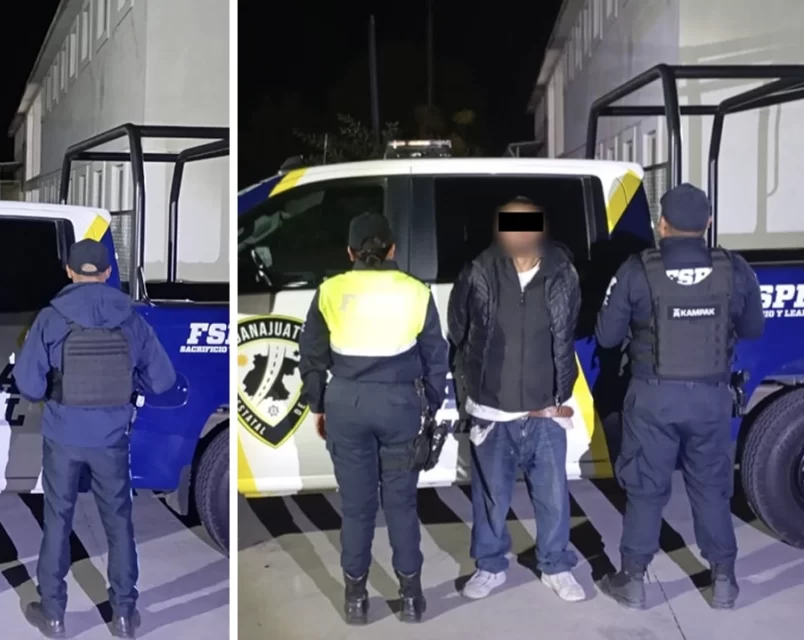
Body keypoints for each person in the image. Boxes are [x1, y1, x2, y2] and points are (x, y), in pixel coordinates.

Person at [596, 183, 764, 610]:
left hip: (653, 398)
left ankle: (633, 580)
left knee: (645, 488)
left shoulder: (636, 270)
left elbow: (607, 336)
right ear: (708, 223)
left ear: (662, 224)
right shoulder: (735, 269)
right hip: (710, 397)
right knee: (711, 487)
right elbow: (753, 329)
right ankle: (723, 580)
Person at [13, 239, 175, 639]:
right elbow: (163, 380)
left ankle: (53, 614)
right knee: (118, 522)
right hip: (111, 438)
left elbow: (29, 384)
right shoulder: (131, 319)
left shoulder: (51, 318)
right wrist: (129, 383)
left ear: (69, 271)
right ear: (106, 273)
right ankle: (124, 615)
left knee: (57, 520)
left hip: (63, 435)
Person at [297, 212, 448, 625]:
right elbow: (436, 356)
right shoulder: (416, 291)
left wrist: (319, 404)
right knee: (401, 505)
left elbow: (311, 354)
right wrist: (428, 404)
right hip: (400, 403)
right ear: (392, 249)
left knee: (357, 508)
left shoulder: (330, 290)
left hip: (347, 403)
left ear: (350, 252)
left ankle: (355, 600)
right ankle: (412, 599)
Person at [447, 196, 586, 603]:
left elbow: (568, 330)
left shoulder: (563, 273)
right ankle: (490, 566)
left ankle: (556, 566)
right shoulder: (478, 272)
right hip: (492, 409)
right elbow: (458, 328)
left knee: (553, 496)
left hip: (546, 409)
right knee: (491, 497)